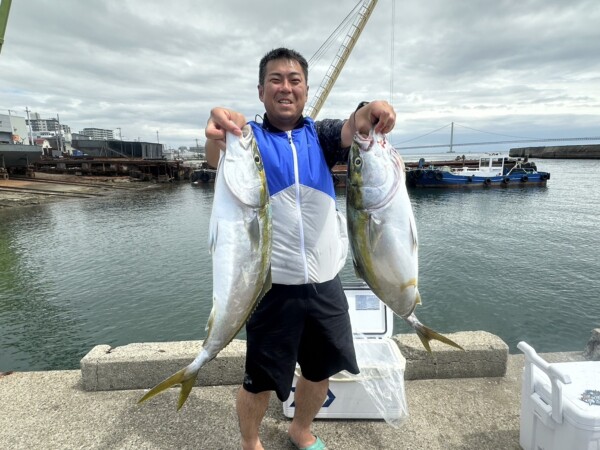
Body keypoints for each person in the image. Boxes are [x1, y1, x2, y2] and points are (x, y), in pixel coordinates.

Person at [205, 47, 396, 450]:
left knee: (319, 369)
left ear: (306, 90)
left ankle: (301, 429)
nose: (286, 87)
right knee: (259, 380)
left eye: (294, 80)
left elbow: (355, 124)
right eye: (276, 80)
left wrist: (371, 108)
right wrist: (218, 131)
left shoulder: (322, 137)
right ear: (261, 91)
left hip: (326, 282)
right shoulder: (248, 141)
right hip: (271, 286)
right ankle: (250, 441)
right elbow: (213, 158)